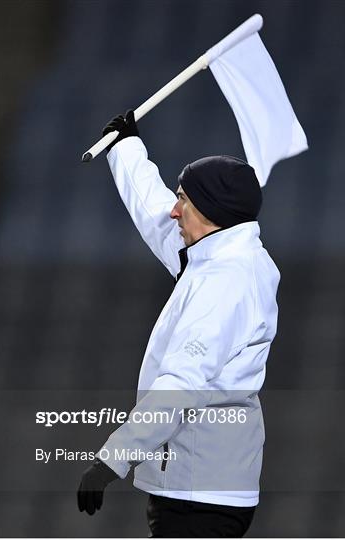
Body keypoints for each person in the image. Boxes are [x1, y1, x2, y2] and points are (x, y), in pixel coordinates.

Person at [77, 110, 280, 537]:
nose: (173, 210)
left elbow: (179, 386)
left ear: (210, 209)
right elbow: (155, 216)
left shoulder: (223, 283)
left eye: (183, 198)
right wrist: (126, 147)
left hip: (197, 496)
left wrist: (112, 459)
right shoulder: (223, 254)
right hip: (205, 485)